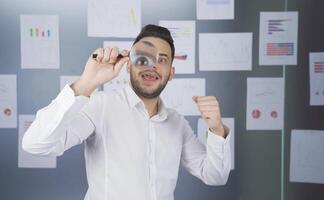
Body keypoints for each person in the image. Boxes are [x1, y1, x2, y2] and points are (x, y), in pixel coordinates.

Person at [22, 24, 231, 200]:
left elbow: (214, 176)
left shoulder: (177, 123)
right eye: (143, 58)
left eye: (162, 60)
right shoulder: (99, 106)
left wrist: (216, 130)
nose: (152, 67)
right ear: (129, 65)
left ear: (171, 73)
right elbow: (35, 145)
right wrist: (86, 83)